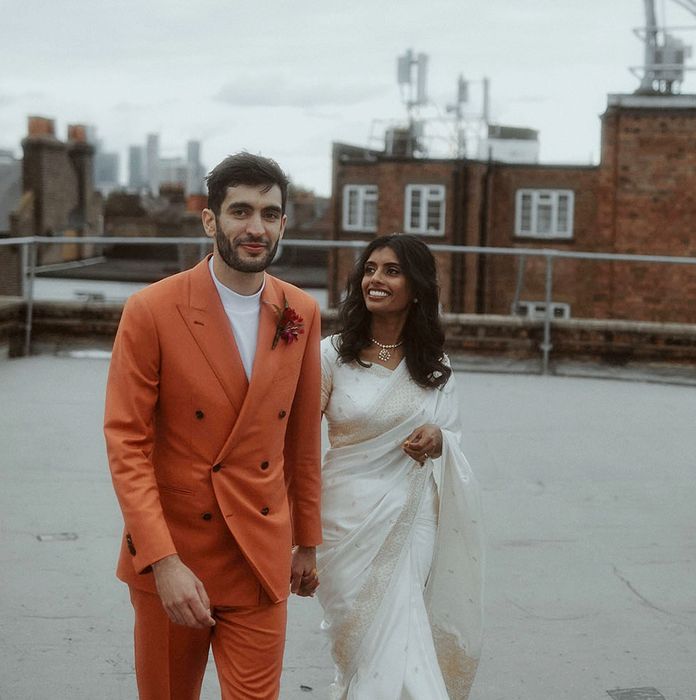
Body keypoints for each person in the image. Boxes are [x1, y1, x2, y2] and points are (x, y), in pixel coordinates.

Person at [104, 152, 322, 700]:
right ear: (210, 220)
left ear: (282, 225)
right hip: (177, 551)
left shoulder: (300, 311)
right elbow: (127, 443)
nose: (256, 228)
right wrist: (162, 561)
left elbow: (300, 440)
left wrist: (308, 542)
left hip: (259, 553)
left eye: (270, 214)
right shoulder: (152, 310)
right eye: (241, 211)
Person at [316, 233, 485, 699]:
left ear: (417, 288)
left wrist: (439, 440)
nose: (376, 279)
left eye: (392, 271)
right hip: (344, 519)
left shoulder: (434, 365)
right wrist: (301, 538)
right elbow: (297, 442)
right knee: (363, 641)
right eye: (370, 269)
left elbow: (452, 436)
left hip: (411, 517)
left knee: (402, 631)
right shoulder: (331, 355)